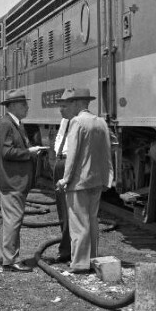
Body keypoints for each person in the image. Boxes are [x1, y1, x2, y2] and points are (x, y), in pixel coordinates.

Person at [54, 87, 111, 274]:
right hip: (96, 181)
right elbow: (108, 153)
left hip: (78, 182)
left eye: (69, 103)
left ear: (78, 103)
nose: (67, 107)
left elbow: (72, 155)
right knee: (92, 221)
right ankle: (93, 259)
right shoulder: (101, 122)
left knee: (79, 224)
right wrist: (108, 177)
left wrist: (65, 179)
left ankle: (79, 263)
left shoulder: (77, 122)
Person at [0, 89, 47, 272]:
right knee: (14, 220)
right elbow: (7, 152)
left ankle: (3, 256)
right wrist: (29, 152)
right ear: (13, 106)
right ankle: (10, 260)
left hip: (13, 180)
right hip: (12, 180)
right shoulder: (7, 124)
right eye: (23, 104)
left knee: (10, 220)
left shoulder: (13, 124)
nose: (27, 107)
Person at [49, 102, 74, 264]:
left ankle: (68, 250)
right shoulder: (66, 120)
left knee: (69, 211)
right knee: (62, 210)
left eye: (64, 106)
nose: (60, 109)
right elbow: (60, 137)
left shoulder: (79, 122)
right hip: (61, 162)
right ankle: (67, 248)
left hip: (68, 165)